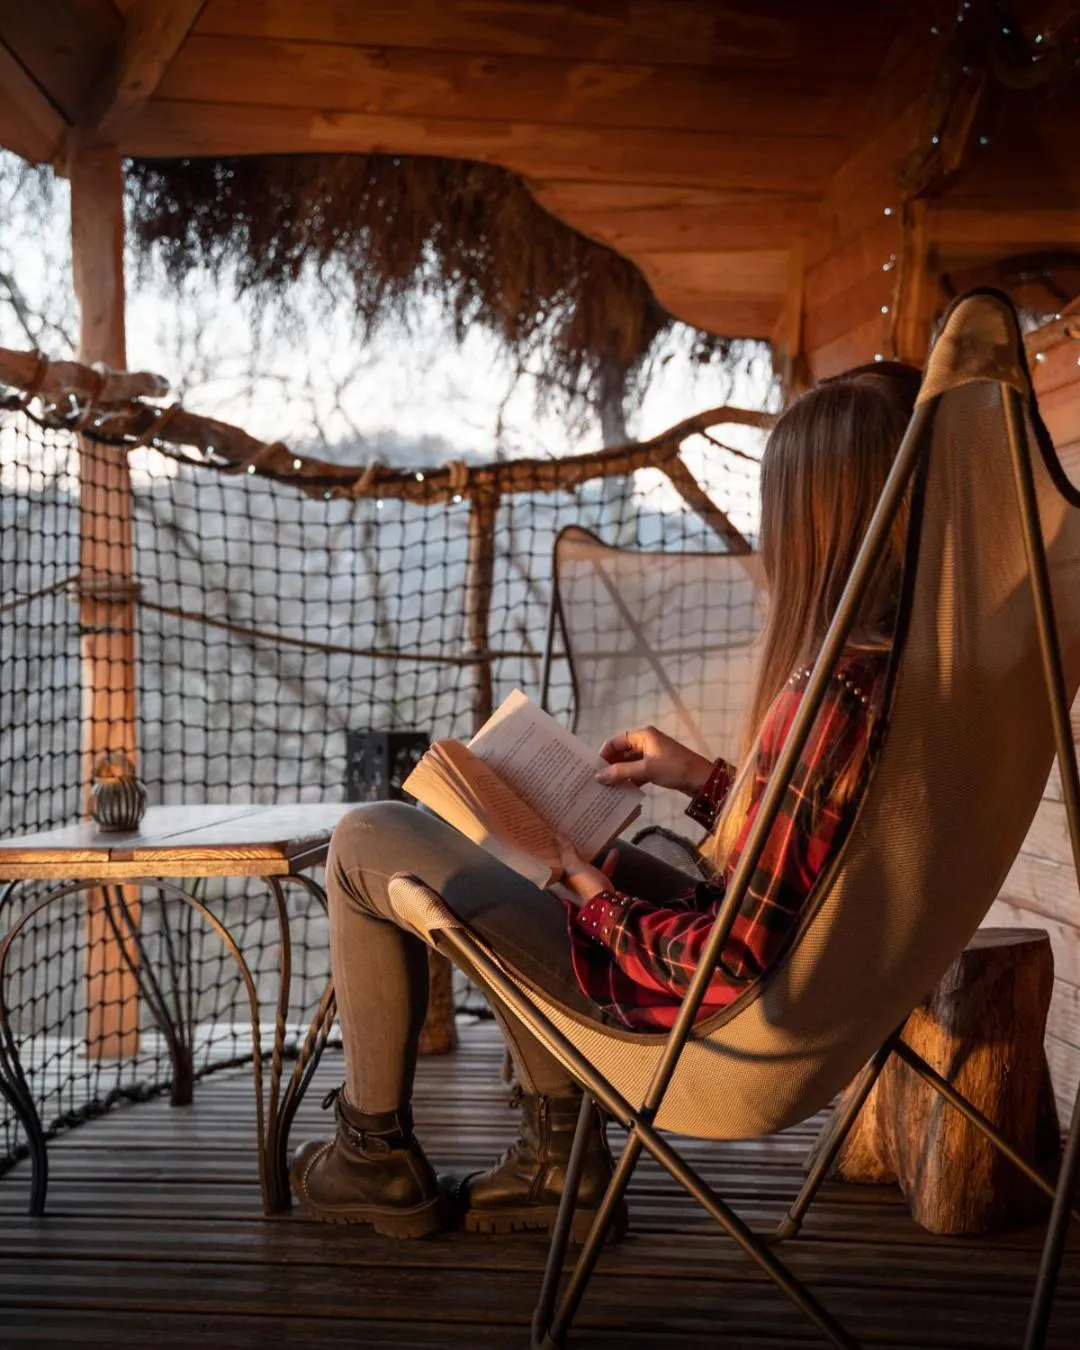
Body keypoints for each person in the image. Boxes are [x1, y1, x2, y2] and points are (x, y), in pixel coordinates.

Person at [289, 362, 919, 1239]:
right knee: (529, 853)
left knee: (366, 837)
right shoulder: (894, 680)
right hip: (795, 1004)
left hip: (715, 1023)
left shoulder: (829, 697)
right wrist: (701, 779)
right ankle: (557, 1154)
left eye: (776, 513)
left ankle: (373, 1150)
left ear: (818, 522)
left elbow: (729, 961)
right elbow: (811, 853)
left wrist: (590, 894)